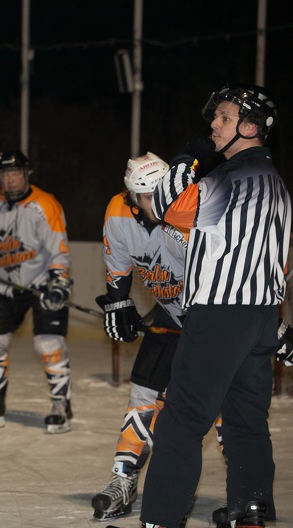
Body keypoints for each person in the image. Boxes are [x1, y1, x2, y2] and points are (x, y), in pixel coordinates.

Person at [137, 84, 290, 528]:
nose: (213, 125)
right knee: (246, 419)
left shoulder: (227, 178)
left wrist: (187, 158)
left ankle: (160, 521)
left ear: (249, 126)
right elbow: (279, 259)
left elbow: (167, 207)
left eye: (223, 117)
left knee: (182, 420)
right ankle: (251, 508)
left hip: (221, 312)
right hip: (261, 316)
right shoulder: (277, 183)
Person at [92, 152, 226, 521]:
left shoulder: (192, 211)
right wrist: (118, 304)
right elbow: (118, 269)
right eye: (146, 196)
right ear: (131, 197)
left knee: (222, 406)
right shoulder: (117, 213)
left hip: (211, 316)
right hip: (169, 312)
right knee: (144, 392)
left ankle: (244, 491)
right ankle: (124, 478)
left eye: (160, 193)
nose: (156, 203)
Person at [0, 150, 73, 433]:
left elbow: (59, 250)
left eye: (17, 174)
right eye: (6, 175)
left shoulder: (45, 205)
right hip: (4, 286)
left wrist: (58, 281)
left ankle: (61, 403)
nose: (12, 181)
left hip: (40, 285)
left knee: (47, 344)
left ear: (26, 176)